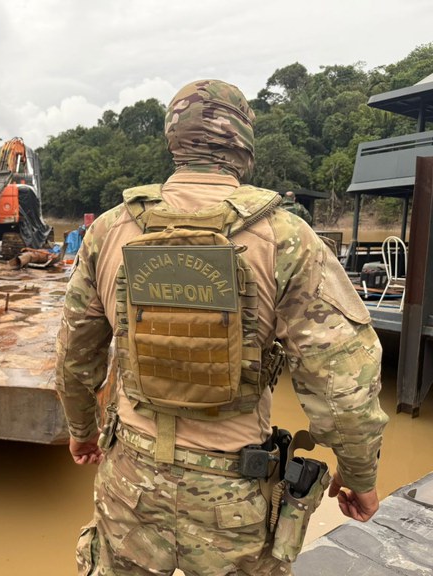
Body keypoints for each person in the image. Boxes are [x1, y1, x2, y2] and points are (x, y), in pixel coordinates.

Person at [55, 79, 388, 576]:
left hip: (130, 483)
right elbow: (342, 382)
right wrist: (359, 474)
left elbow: (76, 355)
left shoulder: (109, 230)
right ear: (244, 144)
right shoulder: (285, 237)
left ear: (174, 142)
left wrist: (81, 430)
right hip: (234, 496)